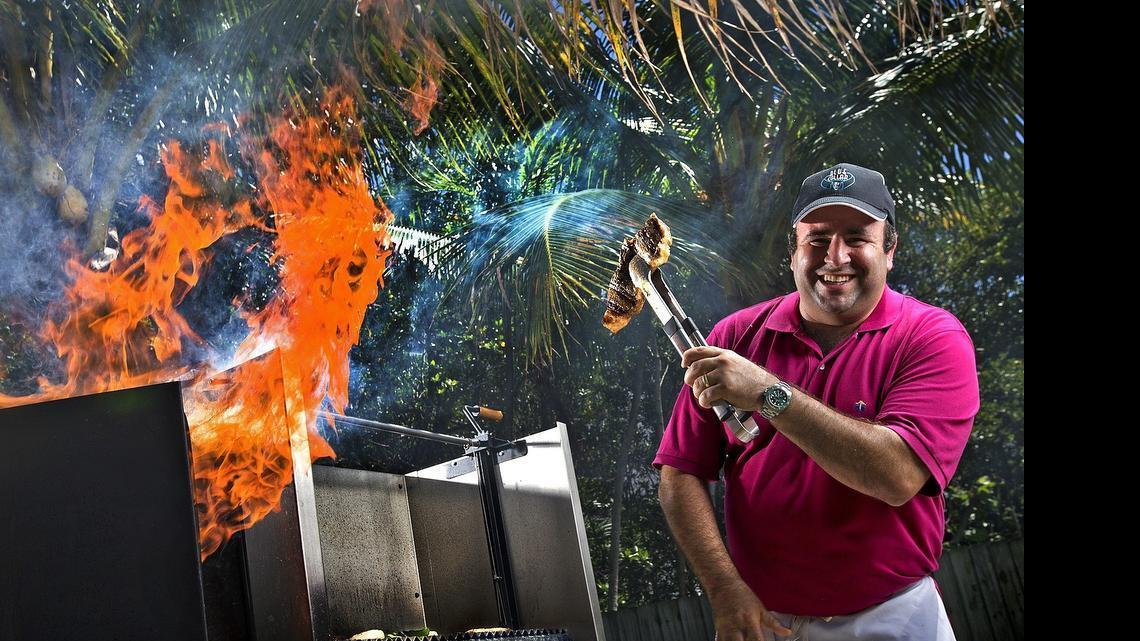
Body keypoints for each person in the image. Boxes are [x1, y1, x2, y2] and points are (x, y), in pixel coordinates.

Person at [653, 162, 979, 641]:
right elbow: (680, 472)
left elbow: (897, 477)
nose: (836, 256)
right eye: (818, 239)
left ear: (889, 251)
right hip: (766, 622)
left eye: (857, 238)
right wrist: (725, 589)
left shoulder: (932, 337)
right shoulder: (734, 337)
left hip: (894, 619)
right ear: (793, 253)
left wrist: (767, 393)